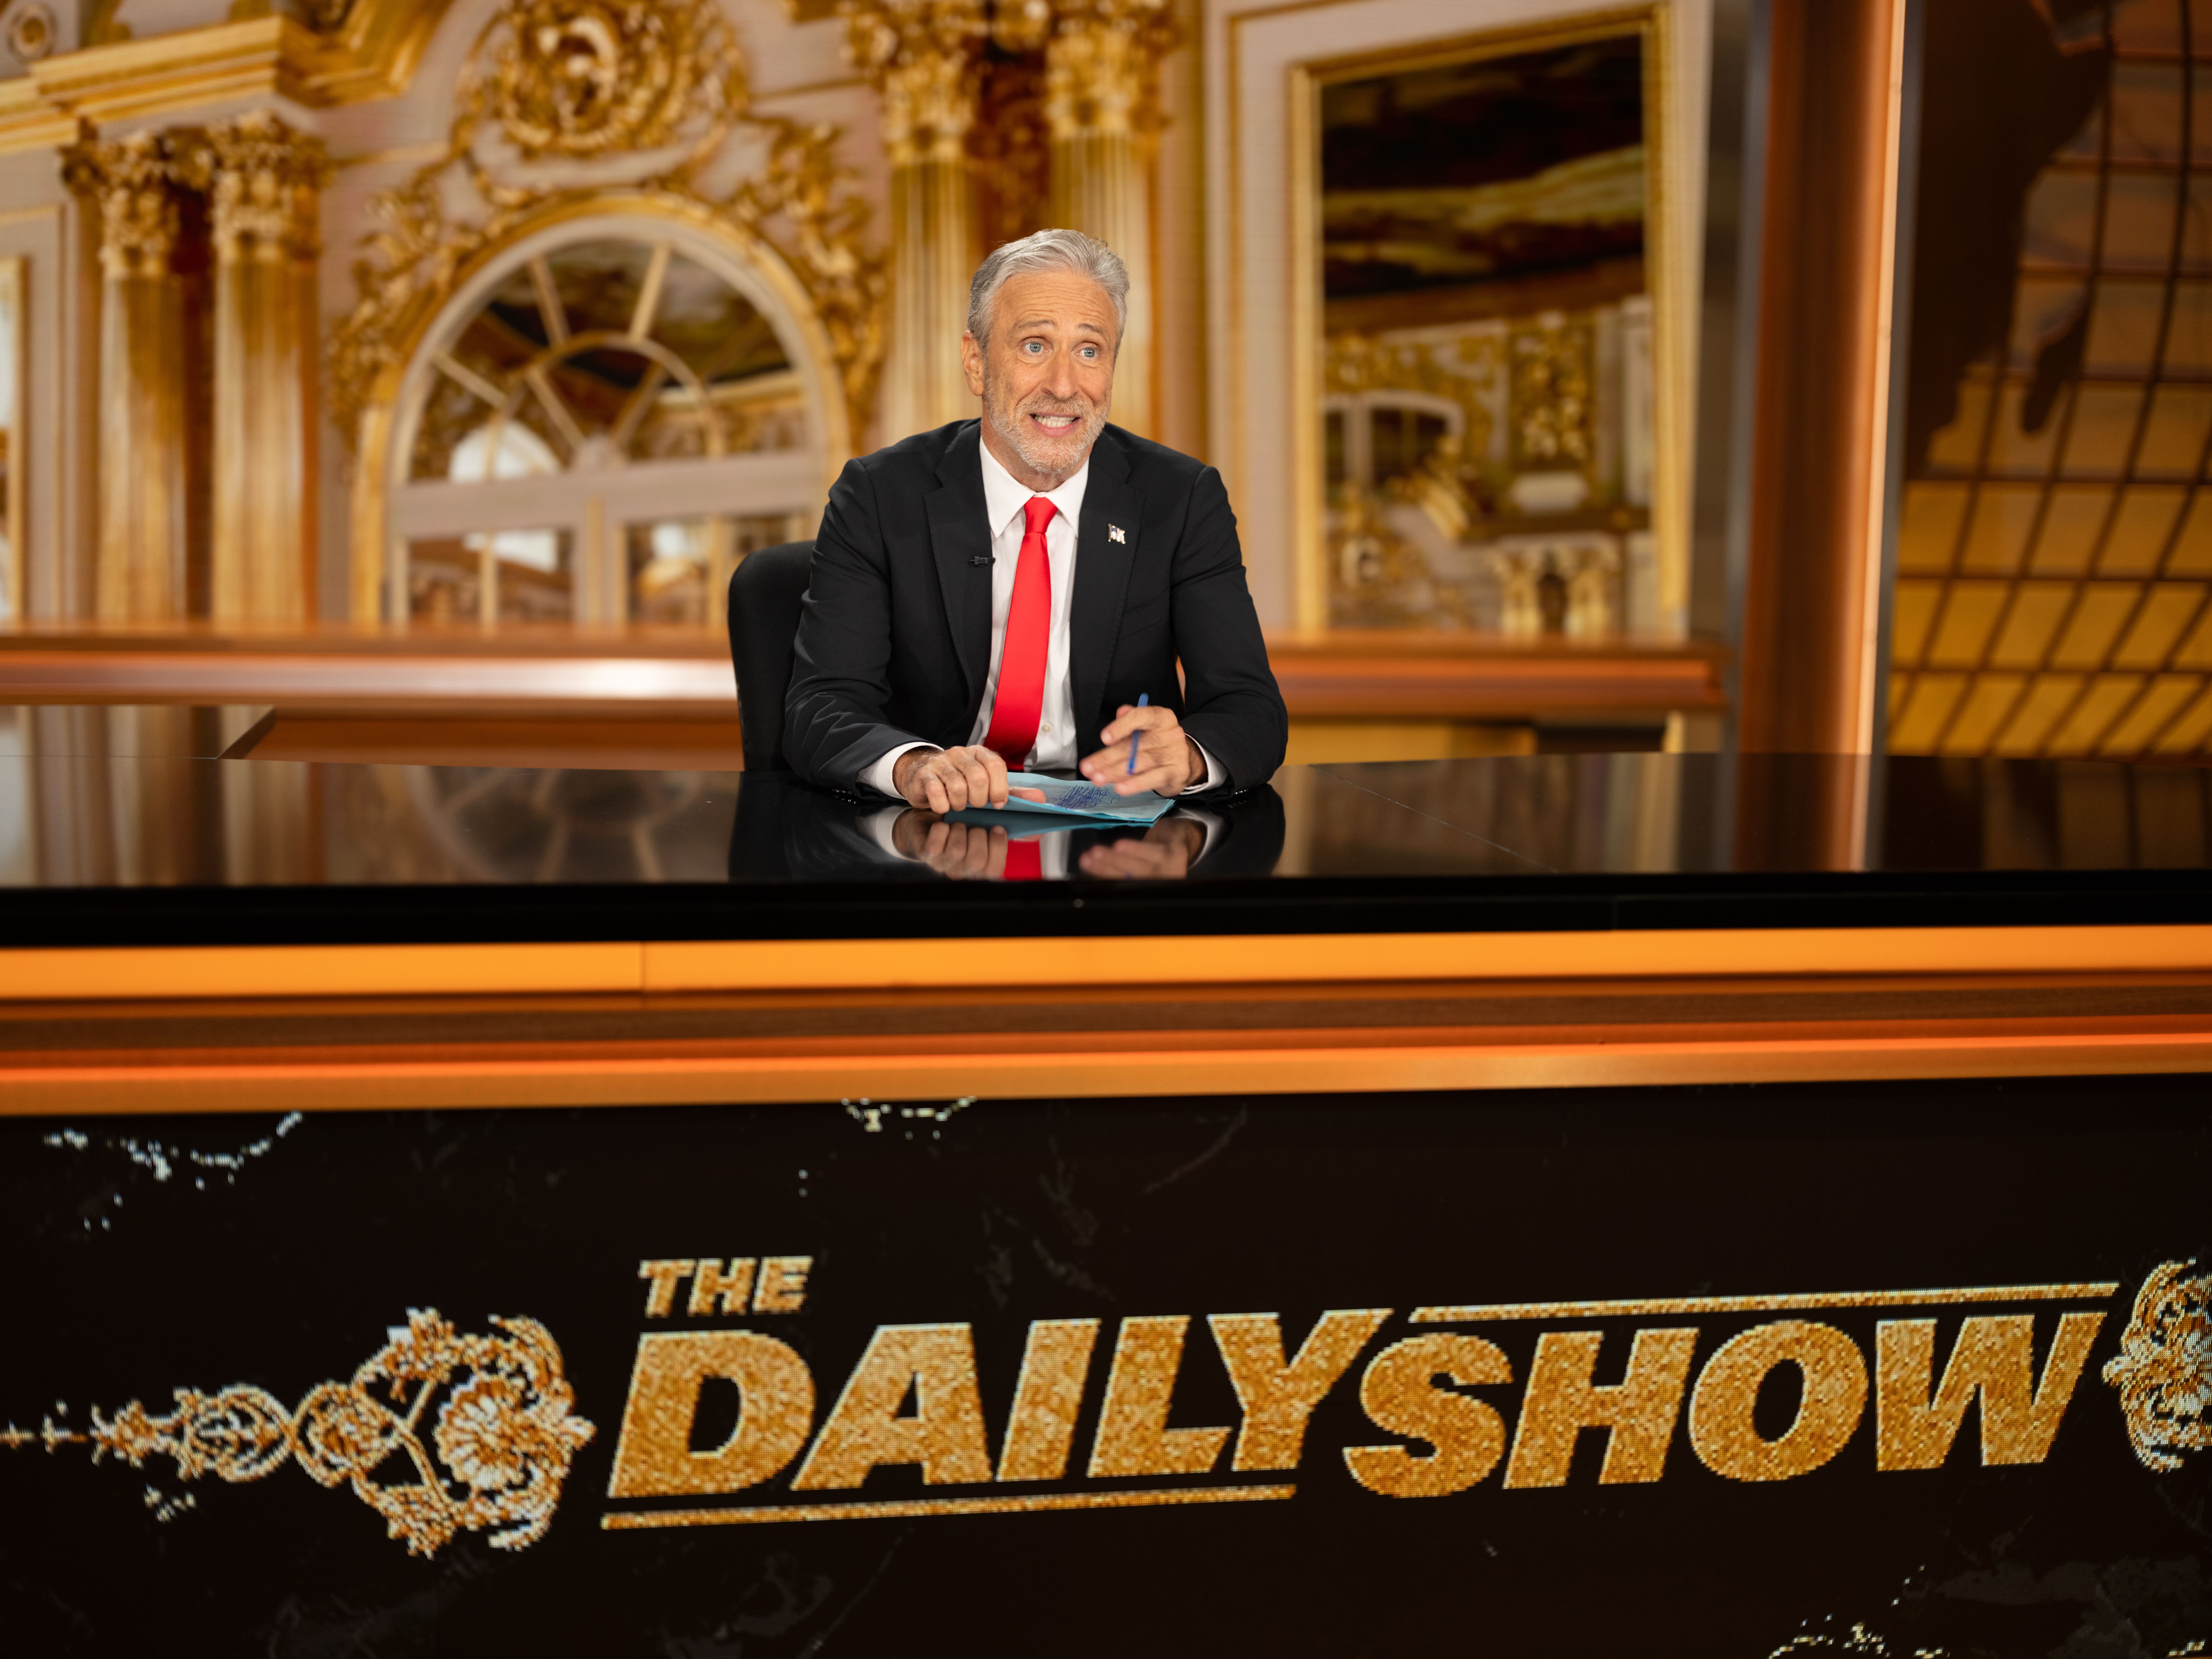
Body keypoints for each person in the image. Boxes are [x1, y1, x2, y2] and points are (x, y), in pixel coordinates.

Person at [782, 228, 1288, 817]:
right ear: (976, 362)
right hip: (929, 839)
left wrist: (1192, 757)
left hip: (1113, 844)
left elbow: (1250, 708)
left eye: (1090, 350)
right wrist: (914, 765)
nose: (1065, 386)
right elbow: (820, 707)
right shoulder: (878, 495)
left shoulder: (1180, 499)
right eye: (1034, 346)